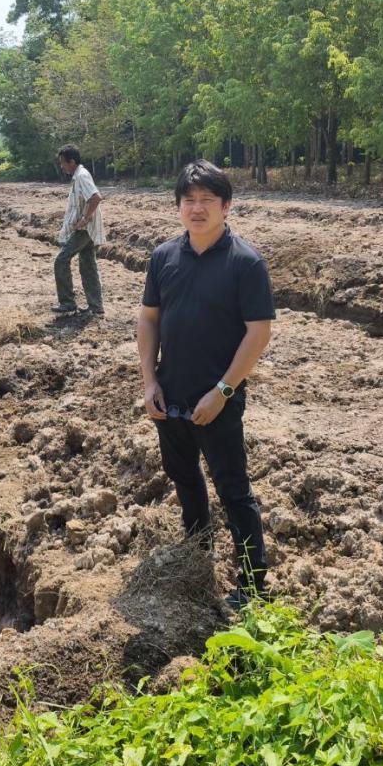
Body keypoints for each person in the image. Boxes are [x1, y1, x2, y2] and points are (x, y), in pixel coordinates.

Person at [137, 160, 275, 610]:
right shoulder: (163, 258)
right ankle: (198, 555)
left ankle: (253, 586)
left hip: (219, 400)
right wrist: (149, 380)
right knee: (185, 479)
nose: (197, 209)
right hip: (170, 397)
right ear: (179, 206)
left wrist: (224, 391)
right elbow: (149, 319)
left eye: (207, 201)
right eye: (189, 200)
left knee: (233, 490)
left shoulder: (245, 263)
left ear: (226, 207)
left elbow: (258, 333)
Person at [52, 144, 105, 316]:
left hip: (85, 230)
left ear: (72, 162)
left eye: (63, 163)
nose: (62, 166)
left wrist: (84, 219)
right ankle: (95, 307)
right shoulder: (79, 176)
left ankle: (67, 303)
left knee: (61, 260)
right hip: (87, 229)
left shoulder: (81, 176)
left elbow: (96, 197)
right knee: (88, 265)